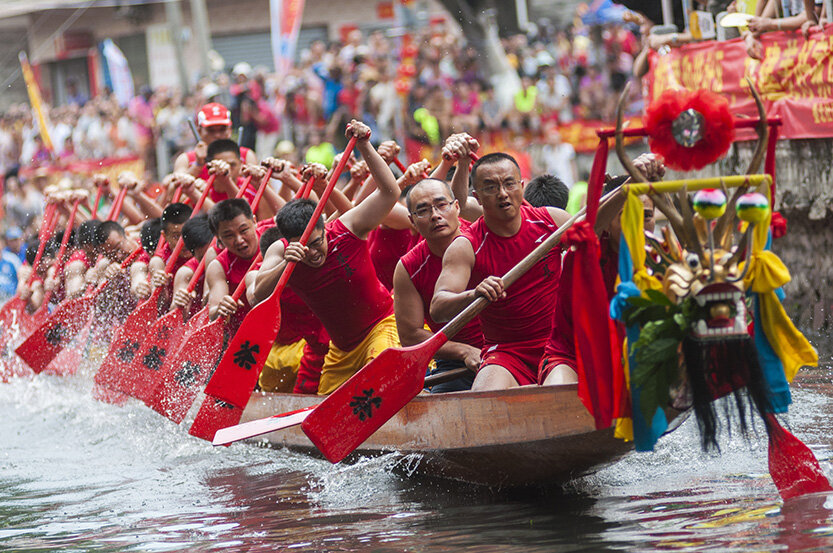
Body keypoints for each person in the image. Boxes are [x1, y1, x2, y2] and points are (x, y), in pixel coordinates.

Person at [251, 120, 401, 395]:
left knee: (383, 373)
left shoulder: (347, 228)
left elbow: (390, 193)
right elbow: (256, 296)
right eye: (302, 248)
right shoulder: (280, 250)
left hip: (381, 328)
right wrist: (286, 261)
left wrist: (366, 145)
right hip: (340, 348)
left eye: (316, 242)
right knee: (326, 418)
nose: (312, 252)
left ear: (324, 226)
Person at [430, 152, 574, 392]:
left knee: (557, 396)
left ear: (521, 187)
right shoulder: (466, 246)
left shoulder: (553, 220)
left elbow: (601, 242)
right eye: (491, 187)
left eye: (509, 184)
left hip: (558, 344)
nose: (503, 194)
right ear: (476, 197)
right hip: (506, 352)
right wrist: (474, 294)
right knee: (483, 401)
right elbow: (438, 307)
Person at [539, 155, 663, 386]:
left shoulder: (661, 258)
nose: (637, 223)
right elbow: (591, 227)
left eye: (646, 216)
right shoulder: (586, 251)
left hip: (635, 358)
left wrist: (660, 189)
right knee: (557, 390)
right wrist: (628, 187)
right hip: (573, 358)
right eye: (626, 214)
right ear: (608, 221)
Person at [393, 178, 483, 393]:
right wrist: (464, 351)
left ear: (457, 207)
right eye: (423, 211)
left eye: (442, 205)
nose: (435, 215)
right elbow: (411, 336)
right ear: (412, 221)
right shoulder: (408, 267)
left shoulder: (486, 235)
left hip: (513, 345)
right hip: (456, 362)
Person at [205, 199, 260, 333]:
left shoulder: (274, 238)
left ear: (254, 221)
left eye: (244, 230)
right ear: (218, 238)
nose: (239, 240)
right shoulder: (218, 267)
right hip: (248, 337)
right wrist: (220, 308)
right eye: (229, 235)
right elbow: (213, 313)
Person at [173, 103, 257, 179]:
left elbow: (261, 190)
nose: (217, 135)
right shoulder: (186, 160)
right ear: (199, 131)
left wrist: (239, 171)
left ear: (230, 130)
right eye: (211, 130)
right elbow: (174, 188)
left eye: (222, 129)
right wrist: (198, 166)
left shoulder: (246, 156)